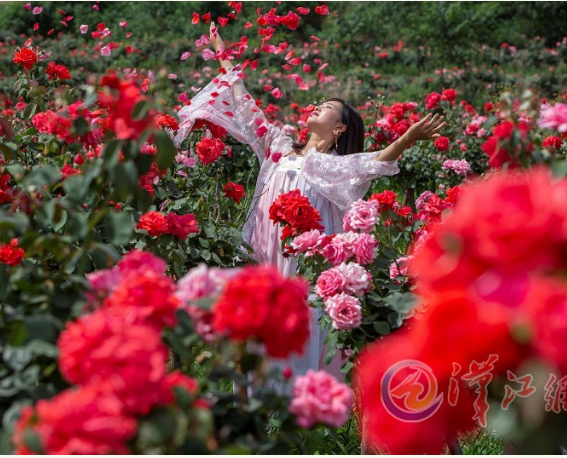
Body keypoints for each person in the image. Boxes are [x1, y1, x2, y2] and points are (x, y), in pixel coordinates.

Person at [172, 23, 446, 383]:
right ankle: (260, 410)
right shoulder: (278, 149)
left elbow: (375, 161)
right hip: (266, 255)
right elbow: (244, 102)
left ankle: (295, 413)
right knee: (259, 330)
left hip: (304, 264)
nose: (317, 105)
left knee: (299, 327)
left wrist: (408, 137)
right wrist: (223, 56)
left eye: (328, 107)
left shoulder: (335, 168)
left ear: (339, 129)